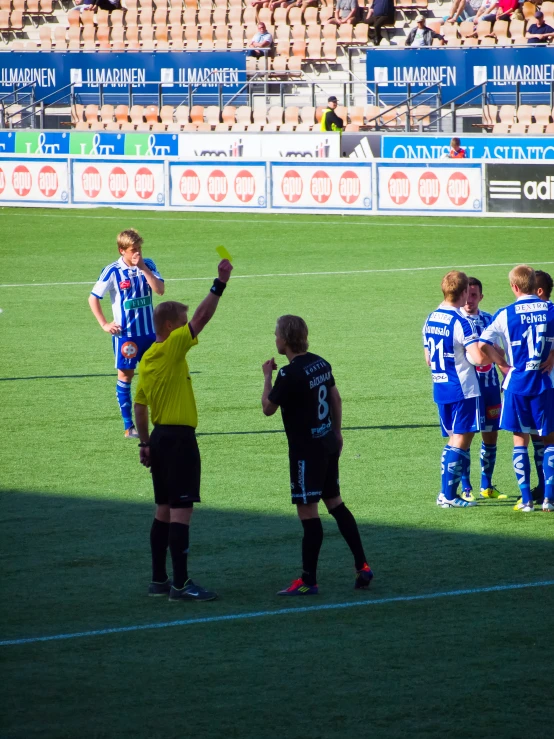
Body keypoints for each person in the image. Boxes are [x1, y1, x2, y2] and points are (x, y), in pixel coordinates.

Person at [134, 259, 233, 601]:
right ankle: (181, 584)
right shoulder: (174, 346)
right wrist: (219, 283)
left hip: (159, 438)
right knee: (181, 512)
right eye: (181, 323)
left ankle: (159, 580)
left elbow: (139, 406)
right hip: (178, 441)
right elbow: (202, 319)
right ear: (170, 327)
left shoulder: (146, 360)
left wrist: (144, 444)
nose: (185, 327)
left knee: (162, 509)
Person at [261, 315, 373, 595]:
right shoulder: (320, 363)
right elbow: (335, 398)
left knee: (308, 514)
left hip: (305, 453)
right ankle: (362, 566)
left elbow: (267, 408)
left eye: (276, 334)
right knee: (335, 503)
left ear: (285, 339)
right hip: (327, 443)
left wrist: (267, 377)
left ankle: (308, 581)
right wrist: (337, 432)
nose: (275, 339)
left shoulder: (289, 374)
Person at [422, 271, 503, 508]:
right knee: (460, 440)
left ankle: (452, 492)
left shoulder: (431, 318)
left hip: (440, 386)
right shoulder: (461, 322)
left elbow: (428, 358)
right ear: (465, 291)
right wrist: (493, 357)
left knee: (455, 439)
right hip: (463, 389)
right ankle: (447, 495)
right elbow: (478, 359)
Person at [479, 265, 554, 513]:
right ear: (535, 284)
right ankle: (549, 499)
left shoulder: (505, 313)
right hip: (545, 384)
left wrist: (502, 364)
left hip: (517, 384)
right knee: (549, 440)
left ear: (514, 286)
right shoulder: (550, 309)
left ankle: (526, 500)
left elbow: (483, 344)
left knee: (519, 441)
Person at [88, 230, 164, 439]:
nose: (137, 253)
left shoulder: (148, 264)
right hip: (127, 337)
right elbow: (94, 298)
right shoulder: (112, 271)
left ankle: (161, 424)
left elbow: (160, 290)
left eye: (139, 249)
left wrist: (143, 267)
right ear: (122, 250)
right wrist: (104, 324)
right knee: (126, 376)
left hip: (150, 334)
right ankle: (129, 427)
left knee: (158, 376)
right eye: (133, 251)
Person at [459, 277, 506, 500]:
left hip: (490, 388)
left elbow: (501, 353)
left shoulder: (489, 319)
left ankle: (486, 485)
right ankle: (466, 487)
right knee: (465, 436)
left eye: (474, 295)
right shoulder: (456, 321)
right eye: (467, 294)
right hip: (467, 389)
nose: (470, 300)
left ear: (481, 297)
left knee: (491, 435)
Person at [523, 270, 554, 506]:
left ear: (539, 291)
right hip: (537, 387)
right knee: (539, 439)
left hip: (548, 386)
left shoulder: (549, 312)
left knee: (548, 439)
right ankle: (545, 488)